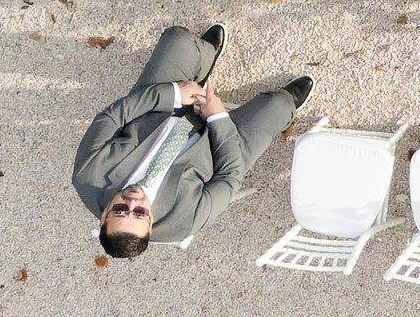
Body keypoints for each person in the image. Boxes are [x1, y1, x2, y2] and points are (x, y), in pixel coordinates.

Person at [73, 25, 310, 257]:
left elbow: (112, 117)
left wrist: (174, 93)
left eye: (120, 210)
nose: (132, 202)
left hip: (160, 110)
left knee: (179, 40)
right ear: (151, 222)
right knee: (277, 106)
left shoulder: (87, 175)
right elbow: (229, 178)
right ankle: (287, 100)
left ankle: (203, 59)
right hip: (218, 146)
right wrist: (218, 118)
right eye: (140, 213)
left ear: (104, 216)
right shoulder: (185, 223)